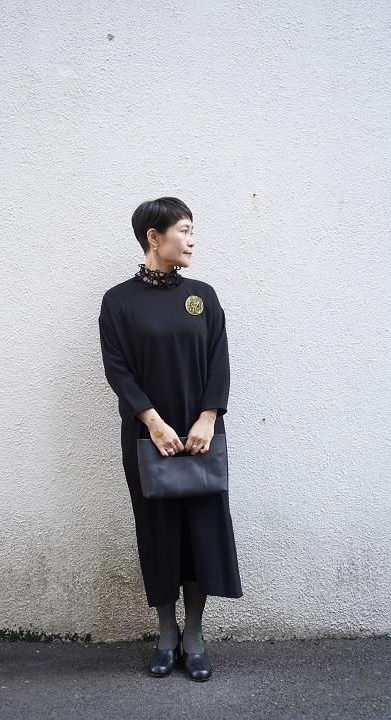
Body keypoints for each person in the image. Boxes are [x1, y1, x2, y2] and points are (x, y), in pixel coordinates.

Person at [98, 197, 242, 681]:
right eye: (184, 230)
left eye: (193, 230)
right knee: (158, 530)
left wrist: (208, 417)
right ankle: (166, 632)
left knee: (202, 530)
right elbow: (118, 369)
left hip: (201, 433)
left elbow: (219, 360)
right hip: (148, 435)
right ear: (153, 237)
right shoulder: (119, 302)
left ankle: (194, 634)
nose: (192, 240)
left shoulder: (203, 295)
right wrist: (153, 422)